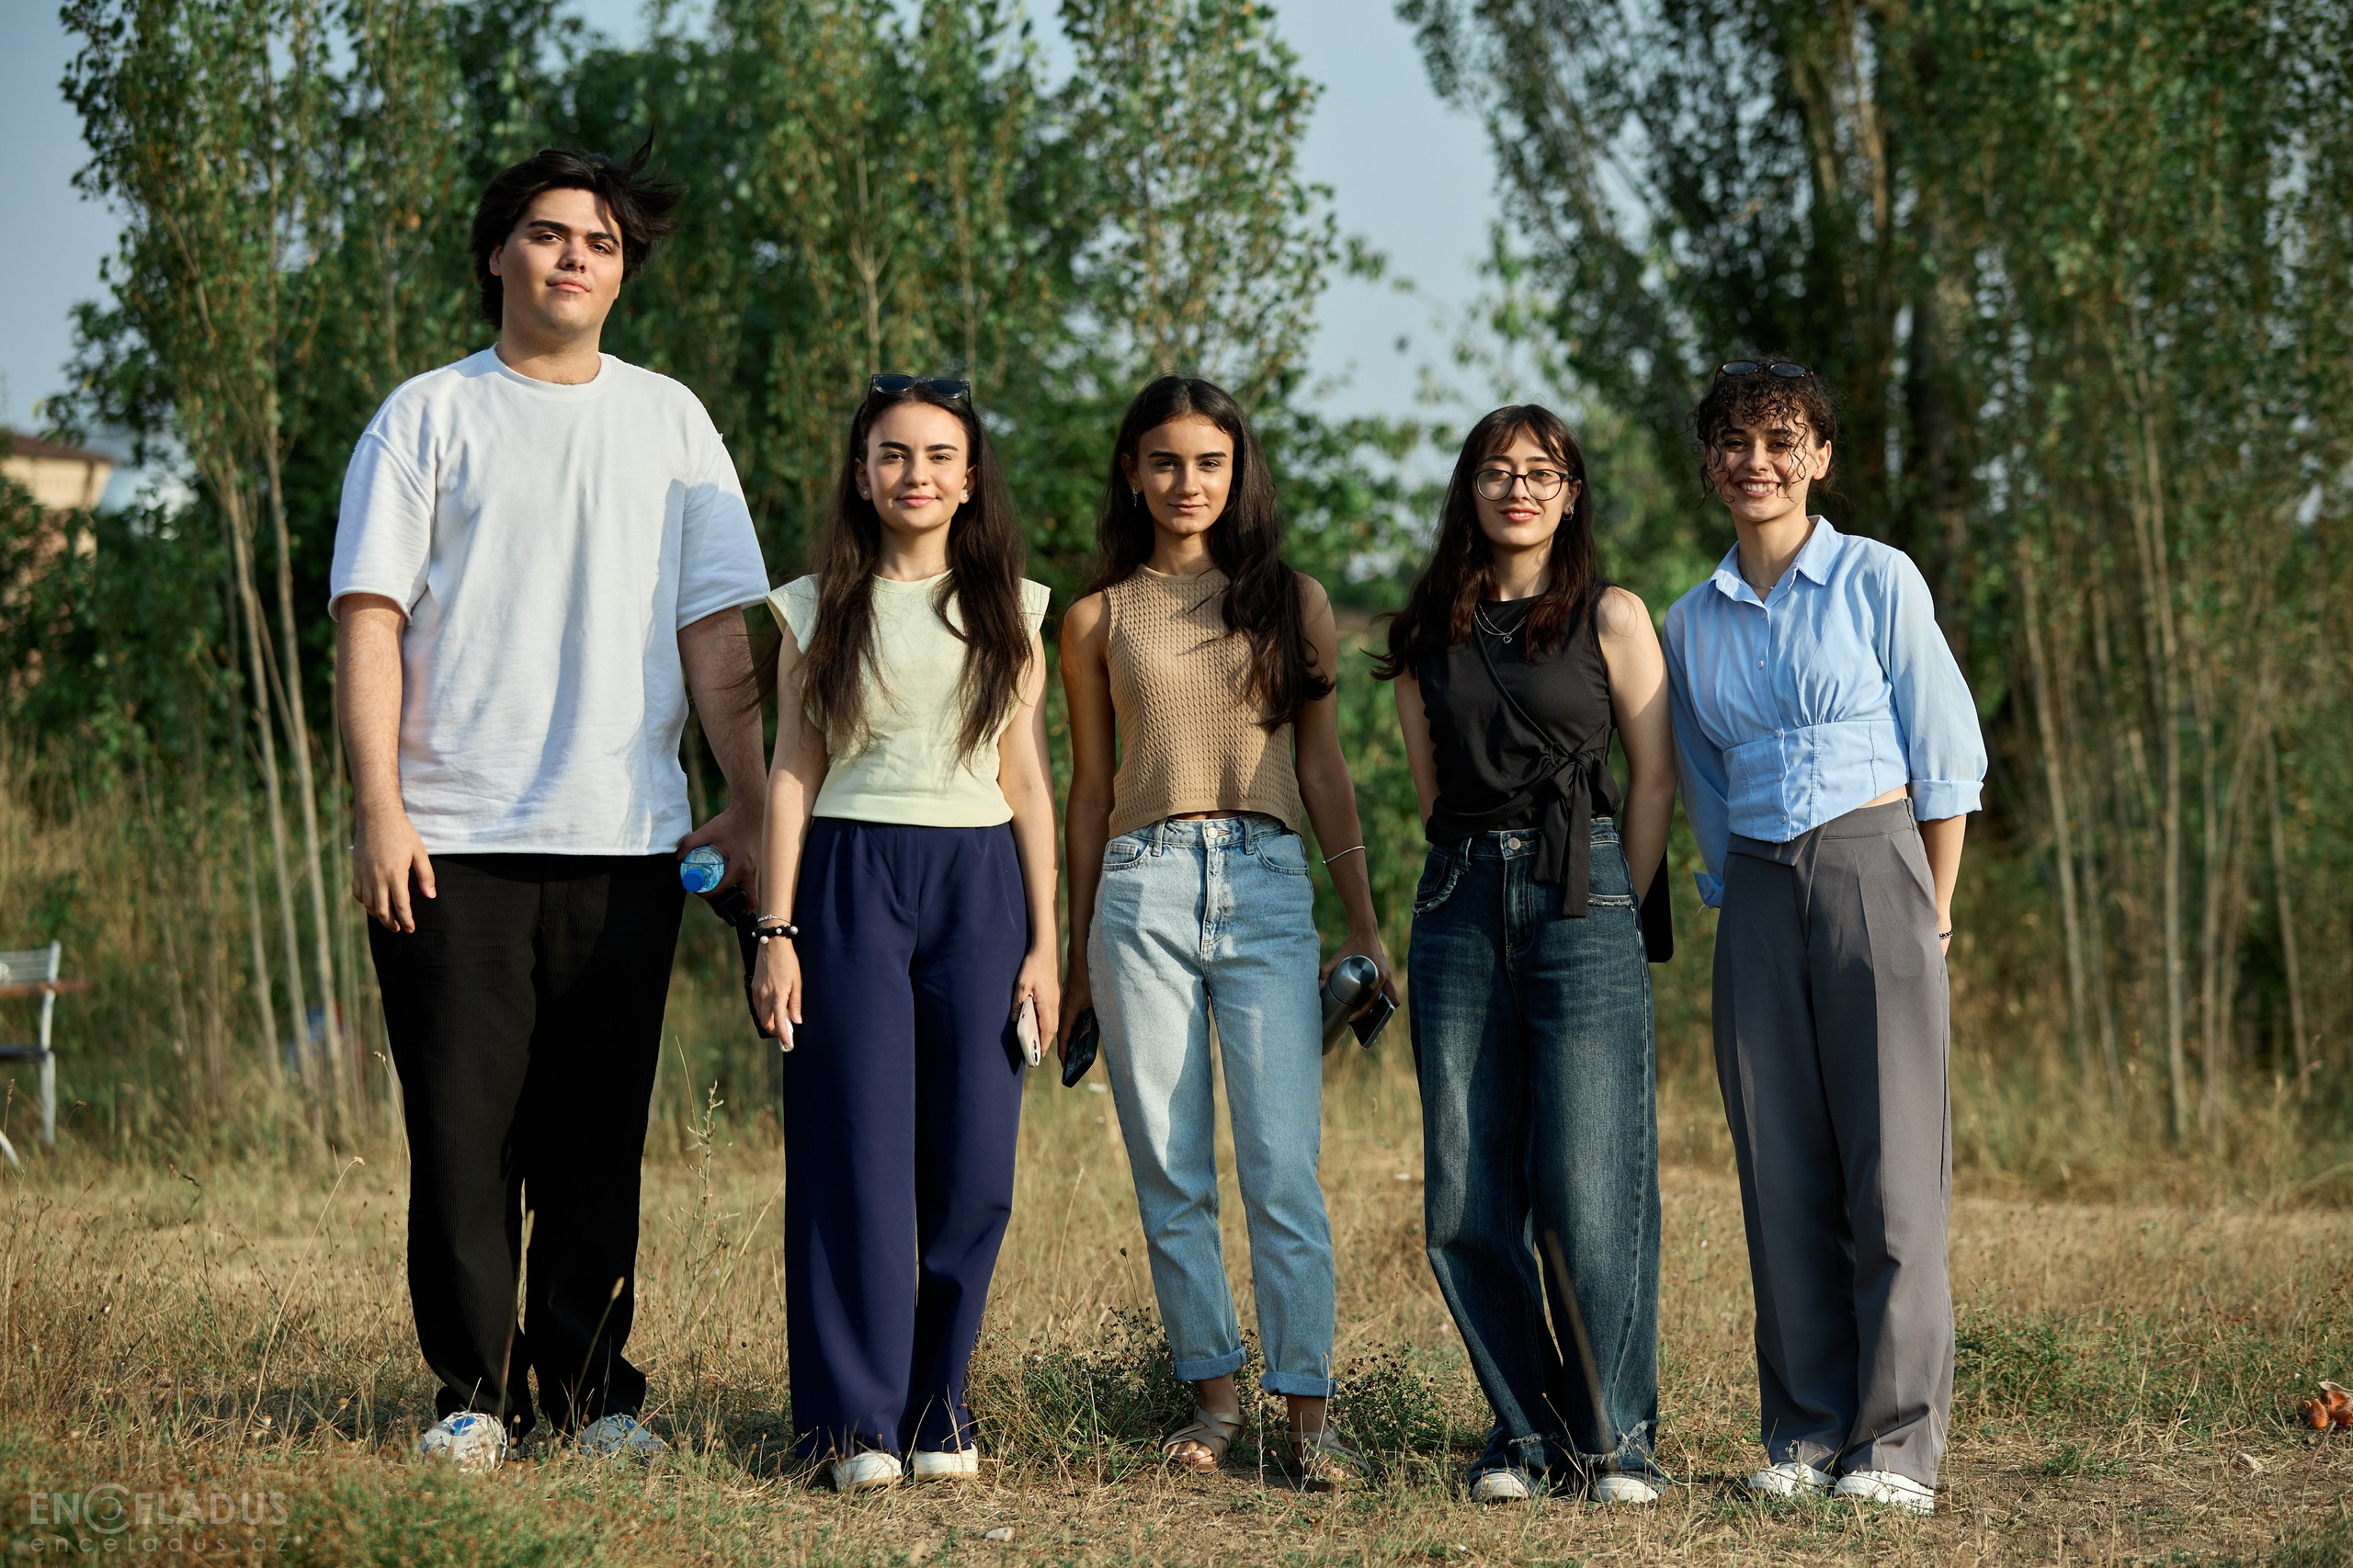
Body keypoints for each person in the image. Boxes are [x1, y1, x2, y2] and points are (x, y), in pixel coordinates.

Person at [331, 141, 771, 1471]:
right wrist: (378, 811)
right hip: (449, 841)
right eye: (547, 233)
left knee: (595, 1139)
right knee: (464, 1139)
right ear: (496, 255)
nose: (575, 256)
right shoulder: (426, 416)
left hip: (628, 839)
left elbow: (718, 636)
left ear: (622, 275)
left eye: (601, 243)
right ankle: (470, 1392)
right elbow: (368, 619)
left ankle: (589, 1396)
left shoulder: (671, 420)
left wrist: (749, 801)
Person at [1662, 358, 1985, 1516]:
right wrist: (1728, 885)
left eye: (1781, 440)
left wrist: (1930, 905)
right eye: (1735, 443)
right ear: (1710, 464)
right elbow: (1700, 771)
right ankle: (1803, 1432)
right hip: (1751, 885)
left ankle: (1895, 1446)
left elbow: (1945, 747)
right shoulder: (1686, 620)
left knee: (1892, 1168)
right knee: (1779, 1165)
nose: (1758, 462)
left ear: (1820, 457)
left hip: (1876, 868)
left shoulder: (1876, 580)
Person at [1059, 374, 1393, 1491]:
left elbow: (1322, 766)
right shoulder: (1096, 616)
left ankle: (1310, 1410)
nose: (1186, 481)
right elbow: (1090, 790)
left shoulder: (1289, 598)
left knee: (1281, 1166)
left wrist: (1361, 920)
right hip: (1140, 887)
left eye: (1208, 460)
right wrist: (1074, 957)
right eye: (1164, 460)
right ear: (1131, 470)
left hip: (1264, 883)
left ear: (1237, 469)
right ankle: (1213, 1397)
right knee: (1169, 1162)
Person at [749, 375, 1057, 1495]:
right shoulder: (809, 607)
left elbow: (1027, 778)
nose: (914, 473)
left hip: (980, 883)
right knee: (856, 1155)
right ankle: (850, 1425)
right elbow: (792, 771)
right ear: (862, 471)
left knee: (974, 1162)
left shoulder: (1014, 608)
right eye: (891, 453)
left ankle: (939, 1406)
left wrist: (1045, 944)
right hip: (844, 876)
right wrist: (773, 928)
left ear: (970, 477)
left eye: (937, 454)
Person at [1376, 404, 1677, 1506]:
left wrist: (1610, 898)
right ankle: (1524, 1428)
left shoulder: (1611, 613)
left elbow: (1653, 776)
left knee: (1589, 1182)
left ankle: (1617, 1439)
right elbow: (1429, 789)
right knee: (1465, 1186)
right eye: (1498, 471)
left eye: (1541, 472)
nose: (1518, 488)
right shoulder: (1426, 634)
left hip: (1581, 891)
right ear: (1468, 488)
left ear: (1571, 492)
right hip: (1458, 894)